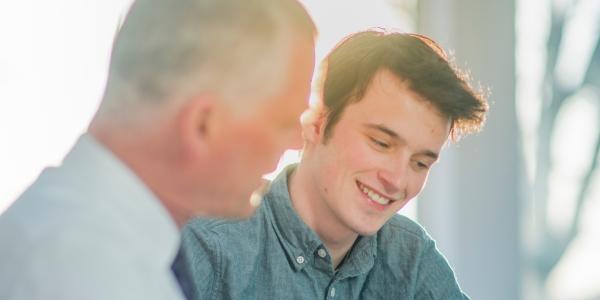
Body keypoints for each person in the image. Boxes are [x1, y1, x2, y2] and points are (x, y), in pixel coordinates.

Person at [0, 0, 316, 299]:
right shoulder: (94, 279)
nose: (297, 143)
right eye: (284, 120)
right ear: (203, 125)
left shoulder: (77, 238)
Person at [177, 29, 489, 299]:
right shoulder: (210, 246)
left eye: (420, 163)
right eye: (381, 143)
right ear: (315, 123)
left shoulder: (411, 258)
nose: (397, 180)